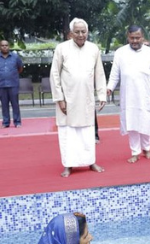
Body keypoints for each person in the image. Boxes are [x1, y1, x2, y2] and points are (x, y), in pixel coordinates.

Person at [50, 19, 107, 178]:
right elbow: (54, 74)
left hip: (86, 99)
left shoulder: (93, 49)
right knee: (68, 134)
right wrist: (59, 99)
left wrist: (101, 94)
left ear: (87, 32)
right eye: (77, 32)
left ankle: (91, 161)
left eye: (83, 32)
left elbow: (99, 73)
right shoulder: (61, 48)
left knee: (87, 132)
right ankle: (68, 165)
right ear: (71, 33)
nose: (81, 35)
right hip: (67, 100)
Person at [107, 25, 150, 164]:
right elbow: (115, 74)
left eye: (137, 38)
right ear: (128, 37)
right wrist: (109, 88)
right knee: (131, 122)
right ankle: (135, 152)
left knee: (145, 121)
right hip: (128, 95)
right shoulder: (120, 52)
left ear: (142, 37)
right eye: (132, 38)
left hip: (145, 94)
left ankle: (147, 148)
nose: (134, 41)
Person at [0, 40, 23, 128]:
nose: (4, 47)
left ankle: (17, 122)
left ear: (9, 46)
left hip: (13, 84)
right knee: (4, 105)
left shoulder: (15, 57)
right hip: (1, 85)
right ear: (0, 47)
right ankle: (6, 122)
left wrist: (12, 75)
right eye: (2, 45)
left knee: (15, 104)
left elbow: (20, 68)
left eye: (6, 45)